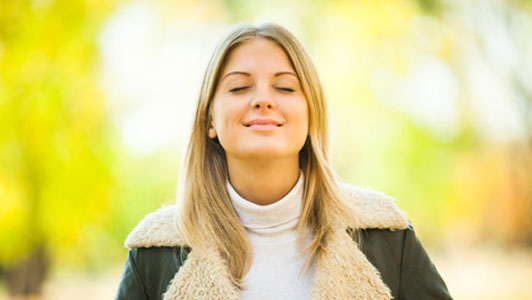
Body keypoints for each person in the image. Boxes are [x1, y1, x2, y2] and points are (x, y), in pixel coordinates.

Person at [115, 22, 453, 300]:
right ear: (210, 122)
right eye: (239, 88)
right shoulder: (154, 252)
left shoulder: (385, 234)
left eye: (286, 88)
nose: (263, 100)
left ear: (311, 116)